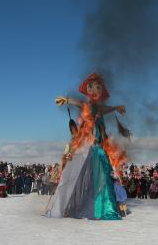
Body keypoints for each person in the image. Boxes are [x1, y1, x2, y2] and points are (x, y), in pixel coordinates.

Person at [46, 73, 127, 220]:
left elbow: (106, 109)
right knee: (77, 174)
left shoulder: (100, 108)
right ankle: (75, 205)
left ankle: (104, 207)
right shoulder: (87, 105)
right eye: (91, 86)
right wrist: (67, 100)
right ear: (87, 89)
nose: (94, 89)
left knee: (103, 175)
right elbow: (78, 103)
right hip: (87, 145)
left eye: (98, 87)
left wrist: (115, 108)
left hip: (99, 146)